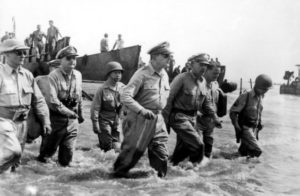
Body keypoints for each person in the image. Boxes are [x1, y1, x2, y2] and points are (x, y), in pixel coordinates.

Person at [113, 41, 172, 178]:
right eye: (165, 56)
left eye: (169, 56)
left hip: (158, 120)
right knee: (130, 156)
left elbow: (165, 95)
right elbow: (125, 96)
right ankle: (114, 182)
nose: (168, 59)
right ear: (154, 57)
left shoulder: (165, 75)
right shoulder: (142, 74)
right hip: (140, 119)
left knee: (161, 153)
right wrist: (142, 111)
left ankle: (158, 184)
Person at [0, 39, 51, 172]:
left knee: (14, 163)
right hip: (4, 122)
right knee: (12, 153)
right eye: (18, 52)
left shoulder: (27, 75)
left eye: (24, 52)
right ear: (6, 54)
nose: (23, 55)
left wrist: (45, 121)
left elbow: (38, 100)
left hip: (22, 124)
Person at [163, 53, 221, 167]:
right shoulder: (181, 78)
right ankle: (194, 173)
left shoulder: (203, 81)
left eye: (206, 65)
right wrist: (164, 122)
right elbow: (168, 99)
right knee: (199, 145)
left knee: (182, 151)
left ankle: (169, 171)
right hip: (178, 117)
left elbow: (206, 102)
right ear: (192, 64)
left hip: (193, 119)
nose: (203, 67)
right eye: (200, 64)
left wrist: (215, 117)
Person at [37, 46, 84, 166]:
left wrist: (80, 114)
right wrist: (69, 113)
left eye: (74, 58)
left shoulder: (78, 75)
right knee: (45, 157)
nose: (72, 61)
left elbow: (79, 97)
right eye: (68, 58)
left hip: (73, 121)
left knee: (66, 160)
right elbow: (53, 101)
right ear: (61, 61)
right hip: (56, 120)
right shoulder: (54, 76)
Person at [230, 74, 272, 157]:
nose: (265, 92)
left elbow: (258, 111)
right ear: (258, 86)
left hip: (254, 128)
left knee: (243, 153)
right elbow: (233, 112)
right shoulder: (246, 96)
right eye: (264, 89)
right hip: (245, 128)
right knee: (257, 150)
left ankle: (235, 167)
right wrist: (236, 126)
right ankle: (249, 168)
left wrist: (259, 123)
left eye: (267, 90)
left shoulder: (260, 96)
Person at [90, 61, 125, 152]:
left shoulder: (122, 87)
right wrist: (95, 123)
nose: (118, 75)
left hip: (116, 122)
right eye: (115, 72)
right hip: (104, 122)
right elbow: (95, 108)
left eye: (120, 73)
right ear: (109, 74)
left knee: (117, 147)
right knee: (107, 147)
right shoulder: (102, 89)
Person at [197, 61, 222, 158]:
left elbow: (215, 102)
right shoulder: (199, 83)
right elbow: (207, 104)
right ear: (207, 70)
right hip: (198, 120)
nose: (217, 75)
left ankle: (204, 168)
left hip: (210, 121)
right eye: (215, 73)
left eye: (218, 73)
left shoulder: (215, 84)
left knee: (208, 147)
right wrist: (215, 118)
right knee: (196, 146)